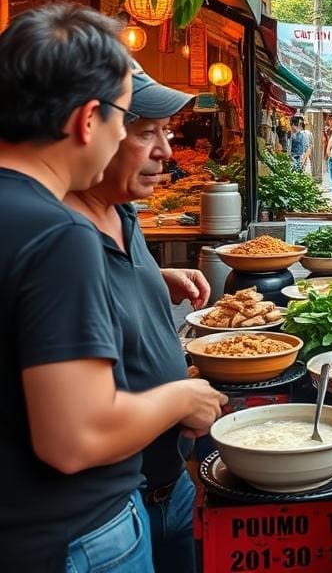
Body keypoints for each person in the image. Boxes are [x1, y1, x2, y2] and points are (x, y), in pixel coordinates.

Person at [0, 5, 225, 572]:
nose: (156, 147)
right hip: (76, 537)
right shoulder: (58, 231)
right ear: (88, 120)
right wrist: (182, 397)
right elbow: (74, 437)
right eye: (127, 120)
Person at [64, 65, 217, 573]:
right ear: (90, 128)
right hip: (109, 514)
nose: (167, 152)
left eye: (166, 132)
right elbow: (72, 426)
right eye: (145, 132)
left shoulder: (123, 211)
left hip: (168, 481)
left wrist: (156, 276)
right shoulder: (59, 244)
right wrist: (179, 400)